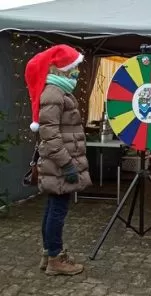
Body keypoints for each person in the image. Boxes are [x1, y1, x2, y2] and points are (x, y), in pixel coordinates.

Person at [25, 45, 92, 276]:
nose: (77, 73)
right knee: (57, 211)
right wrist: (67, 164)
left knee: (53, 207)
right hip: (60, 164)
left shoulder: (59, 92)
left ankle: (49, 254)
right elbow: (50, 134)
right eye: (74, 68)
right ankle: (55, 258)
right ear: (62, 68)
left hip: (58, 164)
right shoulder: (54, 94)